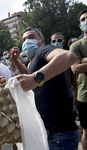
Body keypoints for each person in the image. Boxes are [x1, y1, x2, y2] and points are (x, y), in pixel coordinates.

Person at [11, 27, 78, 150]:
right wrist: (15, 60)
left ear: (42, 41)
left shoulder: (43, 50)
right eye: (24, 39)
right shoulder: (34, 62)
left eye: (31, 37)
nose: (27, 41)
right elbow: (28, 72)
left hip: (58, 136)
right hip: (46, 135)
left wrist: (35, 78)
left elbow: (69, 56)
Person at [70, 9, 87, 150]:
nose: (86, 20)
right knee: (86, 132)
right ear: (80, 26)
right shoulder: (76, 45)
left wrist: (84, 61)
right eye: (83, 19)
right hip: (85, 96)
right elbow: (75, 69)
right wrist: (80, 63)